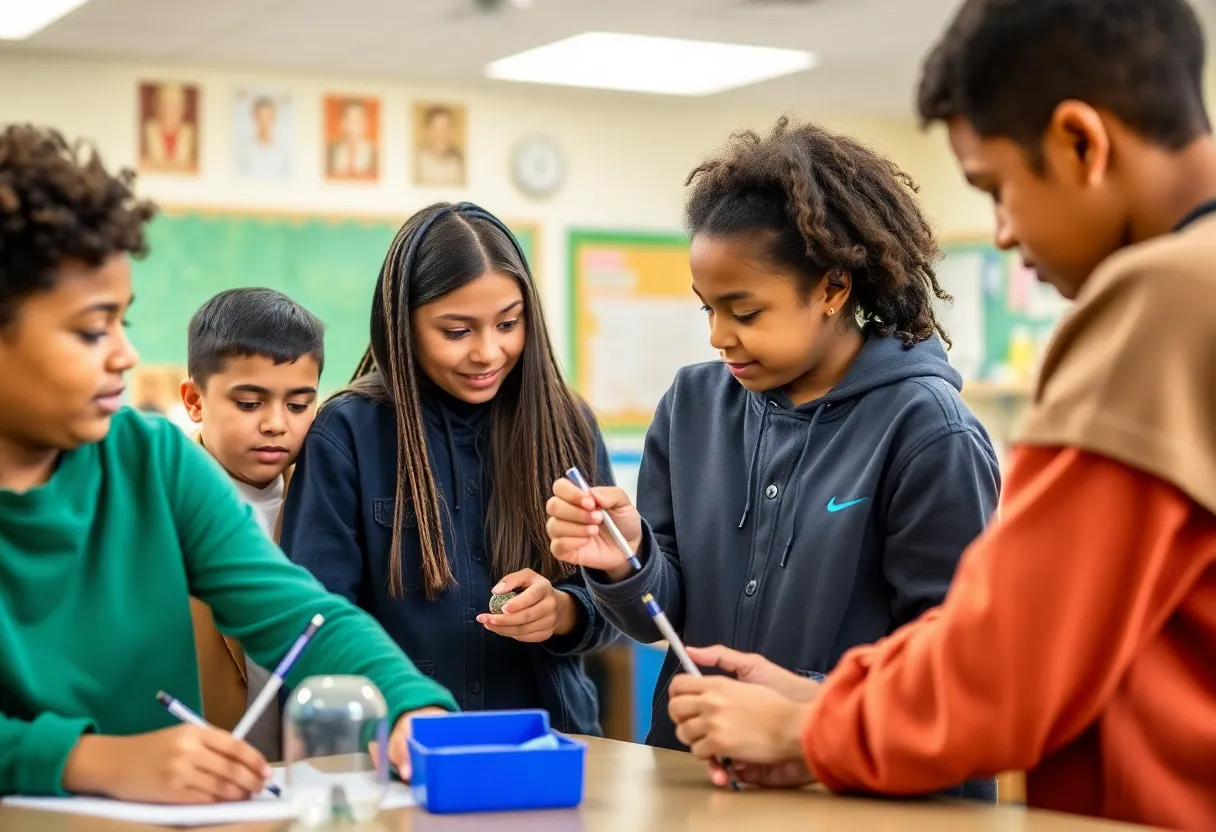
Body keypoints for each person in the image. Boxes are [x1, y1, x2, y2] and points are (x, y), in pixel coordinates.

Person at [660, 1, 1216, 829]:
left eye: (998, 188)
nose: (999, 234)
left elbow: (1011, 659)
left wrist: (811, 725)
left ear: (1080, 143)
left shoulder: (1164, 299)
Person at [545, 119, 1001, 798]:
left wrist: (799, 708)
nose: (719, 337)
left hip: (867, 797)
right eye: (707, 309)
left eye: (746, 311)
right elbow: (660, 619)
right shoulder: (693, 404)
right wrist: (628, 558)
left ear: (832, 289)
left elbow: (955, 676)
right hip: (698, 785)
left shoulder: (929, 432)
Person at [0, 124, 456, 802]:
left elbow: (298, 613)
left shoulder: (148, 461)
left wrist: (409, 703)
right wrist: (89, 761)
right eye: (93, 329)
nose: (124, 355)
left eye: (124, 322)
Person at [281, 202, 617, 735]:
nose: (489, 352)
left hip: (550, 745)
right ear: (402, 325)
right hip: (398, 750)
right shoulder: (347, 432)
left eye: (508, 323)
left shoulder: (567, 423)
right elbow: (312, 622)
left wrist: (562, 611)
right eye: (457, 331)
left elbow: (612, 602)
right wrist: (399, 705)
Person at [179, 287, 327, 761]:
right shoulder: (161, 499)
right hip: (196, 772)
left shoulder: (323, 497)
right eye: (249, 404)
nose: (276, 424)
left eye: (299, 405)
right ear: (194, 401)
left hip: (301, 773)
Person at [141, 82, 197, 173]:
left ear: (183, 108)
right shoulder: (146, 130)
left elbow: (195, 167)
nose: (169, 110)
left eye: (174, 105)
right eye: (164, 104)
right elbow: (142, 165)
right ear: (156, 106)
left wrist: (157, 165)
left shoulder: (191, 132)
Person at [414, 105, 465, 187]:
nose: (442, 133)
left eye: (447, 127)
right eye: (437, 127)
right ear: (429, 130)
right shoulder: (417, 158)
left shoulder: (459, 159)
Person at [327, 98, 377, 180]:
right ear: (342, 122)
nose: (353, 126)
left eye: (358, 120)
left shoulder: (375, 153)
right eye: (350, 119)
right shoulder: (329, 150)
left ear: (365, 123)